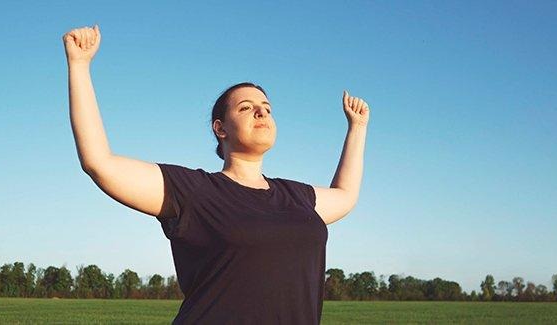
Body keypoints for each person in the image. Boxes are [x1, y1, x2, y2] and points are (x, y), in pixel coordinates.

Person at [63, 24, 369, 324]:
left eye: (267, 108)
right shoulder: (194, 191)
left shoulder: (298, 197)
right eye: (246, 108)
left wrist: (357, 128)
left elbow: (346, 195)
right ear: (220, 128)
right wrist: (79, 65)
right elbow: (99, 163)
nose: (261, 112)